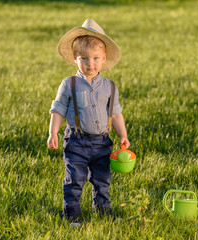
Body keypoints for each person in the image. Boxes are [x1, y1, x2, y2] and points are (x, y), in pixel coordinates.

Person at [47, 19, 130, 224]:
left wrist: (123, 135)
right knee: (75, 179)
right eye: (84, 58)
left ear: (103, 58)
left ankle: (103, 212)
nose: (90, 64)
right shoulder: (69, 84)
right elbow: (57, 110)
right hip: (77, 141)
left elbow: (116, 113)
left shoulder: (110, 86)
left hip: (102, 142)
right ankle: (72, 215)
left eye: (95, 58)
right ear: (76, 59)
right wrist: (53, 132)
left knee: (102, 179)